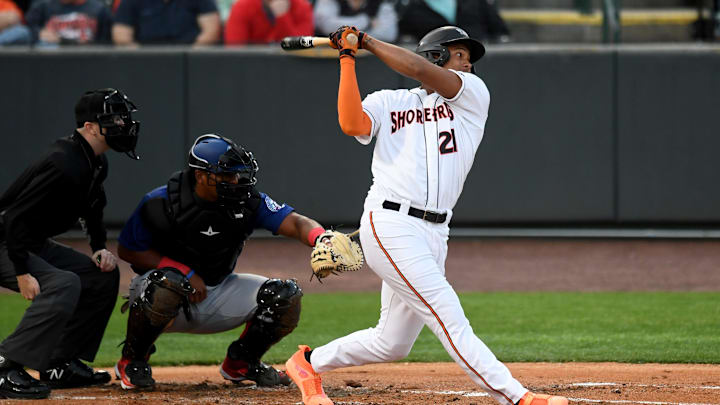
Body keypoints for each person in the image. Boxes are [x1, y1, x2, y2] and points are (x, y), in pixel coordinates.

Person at [283, 26, 569, 405]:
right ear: (437, 55)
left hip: (435, 231)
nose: (469, 63)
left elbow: (418, 70)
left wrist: (365, 41)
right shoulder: (389, 101)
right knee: (448, 315)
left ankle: (308, 362)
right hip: (390, 223)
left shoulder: (472, 96)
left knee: (392, 342)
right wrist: (347, 58)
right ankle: (517, 397)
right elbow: (352, 123)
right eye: (460, 54)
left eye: (469, 57)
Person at [114, 134, 334, 390]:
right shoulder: (159, 202)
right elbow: (128, 249)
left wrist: (322, 238)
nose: (236, 181)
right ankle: (133, 360)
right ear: (200, 175)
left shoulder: (247, 201)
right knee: (168, 284)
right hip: (158, 292)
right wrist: (184, 272)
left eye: (238, 174)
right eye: (226, 175)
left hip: (216, 289)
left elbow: (295, 223)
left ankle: (241, 363)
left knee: (285, 296)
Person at [0, 88, 141, 399]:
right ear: (89, 127)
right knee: (62, 284)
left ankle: (57, 364)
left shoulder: (95, 162)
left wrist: (98, 248)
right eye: (113, 118)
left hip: (28, 241)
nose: (123, 123)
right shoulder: (63, 161)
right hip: (7, 241)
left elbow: (93, 209)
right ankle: (6, 365)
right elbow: (13, 219)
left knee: (100, 275)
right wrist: (23, 272)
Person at [112, 0, 220, 46]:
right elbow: (121, 35)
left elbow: (211, 32)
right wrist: (141, 57)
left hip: (188, 57)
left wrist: (191, 55)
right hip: (146, 58)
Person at [397, 0, 510, 43]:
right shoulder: (411, 7)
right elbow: (406, 37)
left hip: (478, 63)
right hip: (435, 67)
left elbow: (499, 31)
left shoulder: (477, 2)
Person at [24, 0, 112, 46]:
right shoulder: (43, 6)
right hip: (52, 60)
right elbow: (26, 30)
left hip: (87, 59)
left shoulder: (100, 9)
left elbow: (106, 42)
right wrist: (39, 33)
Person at [224, 0, 313, 45]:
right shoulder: (242, 7)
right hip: (251, 70)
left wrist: (282, 18)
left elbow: (301, 48)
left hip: (292, 70)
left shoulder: (302, 7)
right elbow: (235, 49)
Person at [313, 0, 397, 43]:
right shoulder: (329, 1)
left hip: (369, 60)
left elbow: (388, 34)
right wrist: (367, 22)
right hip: (329, 58)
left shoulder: (381, 4)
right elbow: (326, 26)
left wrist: (347, 34)